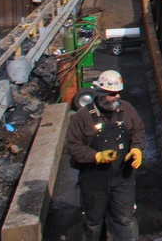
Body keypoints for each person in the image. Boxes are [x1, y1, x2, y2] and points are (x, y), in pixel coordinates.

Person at [65, 69, 145, 241]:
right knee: (93, 223)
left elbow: (138, 130)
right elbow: (73, 146)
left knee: (125, 220)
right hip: (94, 180)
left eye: (118, 93)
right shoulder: (82, 117)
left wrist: (137, 148)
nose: (117, 97)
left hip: (123, 177)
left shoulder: (126, 109)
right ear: (100, 94)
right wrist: (96, 156)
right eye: (112, 94)